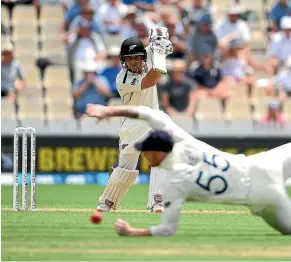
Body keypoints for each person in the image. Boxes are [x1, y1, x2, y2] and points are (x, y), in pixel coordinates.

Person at [86, 104, 291, 237]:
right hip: (260, 164)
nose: (145, 157)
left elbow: (167, 230)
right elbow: (148, 113)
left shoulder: (175, 181)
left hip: (261, 196)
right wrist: (109, 111)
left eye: (147, 152)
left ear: (158, 152)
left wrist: (132, 232)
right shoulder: (182, 140)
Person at [95, 29, 174, 213]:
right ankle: (108, 200)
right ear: (123, 60)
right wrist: (161, 52)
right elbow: (152, 79)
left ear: (142, 57)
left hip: (153, 118)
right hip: (132, 124)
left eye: (137, 58)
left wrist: (161, 41)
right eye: (129, 59)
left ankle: (157, 201)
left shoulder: (147, 54)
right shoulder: (122, 78)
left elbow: (162, 43)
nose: (134, 62)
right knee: (125, 169)